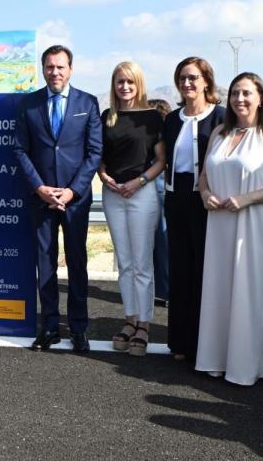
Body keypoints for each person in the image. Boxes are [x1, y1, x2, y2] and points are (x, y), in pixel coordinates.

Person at [195, 72, 263, 387]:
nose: (240, 99)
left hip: (256, 224)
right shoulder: (218, 133)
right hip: (221, 224)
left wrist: (246, 199)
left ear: (261, 98)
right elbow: (203, 177)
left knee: (252, 289)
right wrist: (205, 195)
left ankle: (255, 363)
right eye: (235, 93)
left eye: (247, 93)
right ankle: (220, 358)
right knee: (222, 287)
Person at [14, 45, 102, 353]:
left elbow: (94, 153)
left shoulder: (88, 103)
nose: (55, 72)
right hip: (41, 198)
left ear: (71, 69)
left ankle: (79, 327)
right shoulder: (28, 105)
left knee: (77, 263)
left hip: (75, 200)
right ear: (43, 69)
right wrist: (40, 188)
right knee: (45, 263)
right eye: (50, 67)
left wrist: (72, 190)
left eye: (61, 67)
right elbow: (21, 150)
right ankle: (49, 326)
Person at [162, 56, 225, 364]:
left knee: (205, 271)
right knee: (181, 272)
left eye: (193, 78)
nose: (187, 83)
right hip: (176, 202)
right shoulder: (172, 119)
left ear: (206, 82)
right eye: (183, 78)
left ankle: (206, 344)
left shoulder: (221, 118)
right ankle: (180, 341)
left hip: (206, 203)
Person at [99, 62, 165, 356]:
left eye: (129, 82)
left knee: (142, 263)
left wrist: (139, 182)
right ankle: (129, 319)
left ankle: (145, 324)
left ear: (139, 84)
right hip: (113, 194)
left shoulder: (153, 117)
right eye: (119, 82)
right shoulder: (107, 117)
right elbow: (100, 156)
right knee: (124, 262)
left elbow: (161, 160)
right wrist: (104, 176)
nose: (124, 87)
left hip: (142, 193)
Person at [147, 98, 171, 306]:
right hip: (159, 193)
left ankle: (163, 289)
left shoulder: (160, 141)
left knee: (161, 243)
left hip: (158, 193)